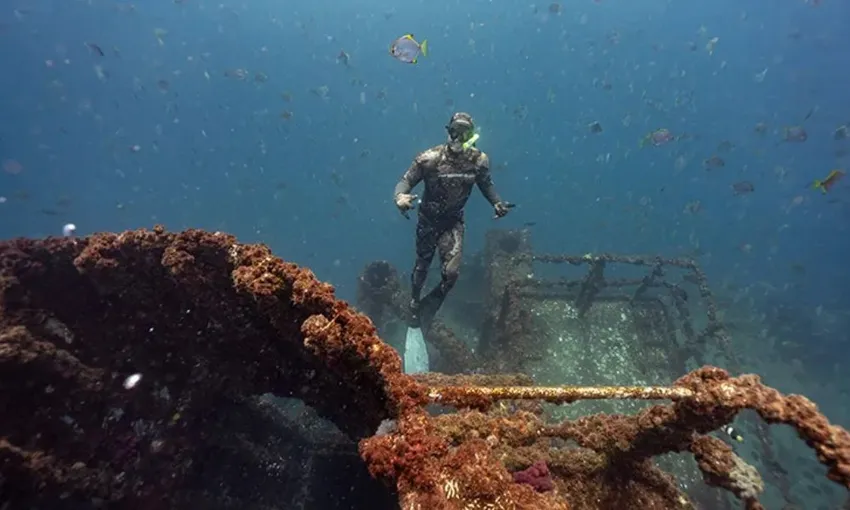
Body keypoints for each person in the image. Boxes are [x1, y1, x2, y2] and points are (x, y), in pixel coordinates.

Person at [393, 112, 512, 328]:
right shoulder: (429, 159)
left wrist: (497, 202)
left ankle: (432, 303)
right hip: (428, 221)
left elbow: (486, 184)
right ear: (448, 131)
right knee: (422, 265)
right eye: (456, 130)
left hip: (453, 223)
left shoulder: (479, 161)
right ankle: (414, 301)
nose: (459, 136)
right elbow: (405, 181)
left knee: (452, 274)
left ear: (472, 135)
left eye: (465, 132)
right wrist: (400, 197)